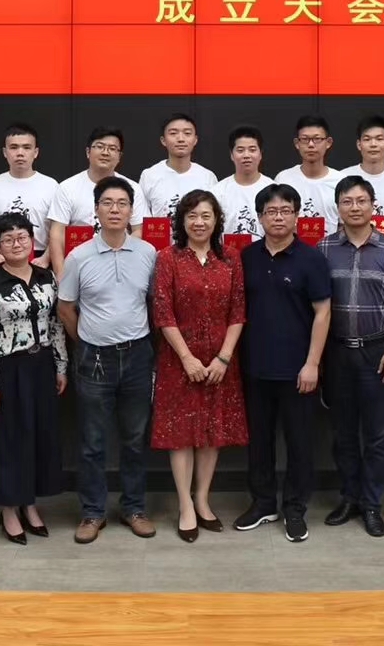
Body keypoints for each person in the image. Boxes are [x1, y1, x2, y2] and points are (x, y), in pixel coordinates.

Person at [57, 177, 160, 543]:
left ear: (132, 211)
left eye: (122, 203)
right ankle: (92, 512)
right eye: (107, 203)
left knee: (135, 438)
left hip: (138, 356)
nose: (115, 210)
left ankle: (134, 508)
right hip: (93, 359)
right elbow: (66, 308)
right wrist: (88, 341)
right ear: (96, 210)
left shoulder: (148, 253)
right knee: (92, 442)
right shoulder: (78, 256)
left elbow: (153, 303)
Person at [234, 184, 332, 542]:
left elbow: (323, 313)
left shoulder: (311, 258)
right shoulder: (246, 257)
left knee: (299, 442)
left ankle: (294, 508)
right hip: (254, 368)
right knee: (258, 442)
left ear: (296, 216)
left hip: (298, 370)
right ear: (260, 217)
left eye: (286, 210)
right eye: (271, 211)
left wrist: (312, 364)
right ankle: (263, 503)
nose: (278, 217)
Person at [151, 190, 248, 542]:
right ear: (181, 221)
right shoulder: (168, 258)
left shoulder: (231, 258)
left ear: (217, 219)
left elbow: (238, 311)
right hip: (179, 361)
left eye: (206, 215)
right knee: (181, 434)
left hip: (221, 361)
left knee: (211, 431)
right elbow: (163, 312)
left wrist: (224, 357)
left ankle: (203, 499)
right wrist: (187, 357)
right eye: (192, 215)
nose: (199, 222)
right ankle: (185, 506)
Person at [319, 175, 384, 537]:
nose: (354, 207)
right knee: (343, 433)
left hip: (377, 351)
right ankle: (349, 498)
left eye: (361, 201)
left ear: (373, 205)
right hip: (338, 352)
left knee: (376, 435)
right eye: (347, 201)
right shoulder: (324, 248)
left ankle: (372, 504)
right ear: (337, 208)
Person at [0, 213, 69, 545]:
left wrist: (61, 365)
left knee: (39, 436)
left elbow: (56, 323)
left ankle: (29, 504)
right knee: (9, 439)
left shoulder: (46, 277)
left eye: (22, 238)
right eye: (8, 240)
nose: (16, 244)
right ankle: (8, 510)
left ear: (32, 241)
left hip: (41, 365)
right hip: (9, 369)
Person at [46, 127, 151, 271]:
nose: (105, 152)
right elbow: (57, 234)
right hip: (79, 264)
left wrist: (120, 256)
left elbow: (139, 229)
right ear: (88, 152)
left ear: (119, 156)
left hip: (120, 263)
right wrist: (61, 274)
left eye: (112, 148)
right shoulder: (67, 187)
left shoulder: (133, 188)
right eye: (100, 147)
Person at [0, 123, 60, 267]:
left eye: (26, 147)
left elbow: (58, 230)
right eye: (13, 147)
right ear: (5, 152)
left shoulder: (51, 186)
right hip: (1, 257)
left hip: (39, 258)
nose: (20, 153)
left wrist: (45, 258)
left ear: (35, 152)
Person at [137, 112, 219, 224]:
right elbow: (141, 219)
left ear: (195, 140)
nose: (180, 139)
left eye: (187, 133)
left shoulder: (207, 177)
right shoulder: (149, 175)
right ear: (163, 140)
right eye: (173, 133)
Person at [274, 114, 341, 238]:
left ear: (328, 142)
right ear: (297, 143)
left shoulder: (340, 181)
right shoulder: (283, 179)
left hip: (329, 248)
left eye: (317, 139)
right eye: (305, 139)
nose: (311, 145)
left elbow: (344, 224)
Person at [209, 125, 272, 250]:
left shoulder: (272, 190)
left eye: (252, 150)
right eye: (240, 150)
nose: (246, 155)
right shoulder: (217, 192)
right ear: (231, 155)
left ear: (260, 154)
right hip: (226, 257)